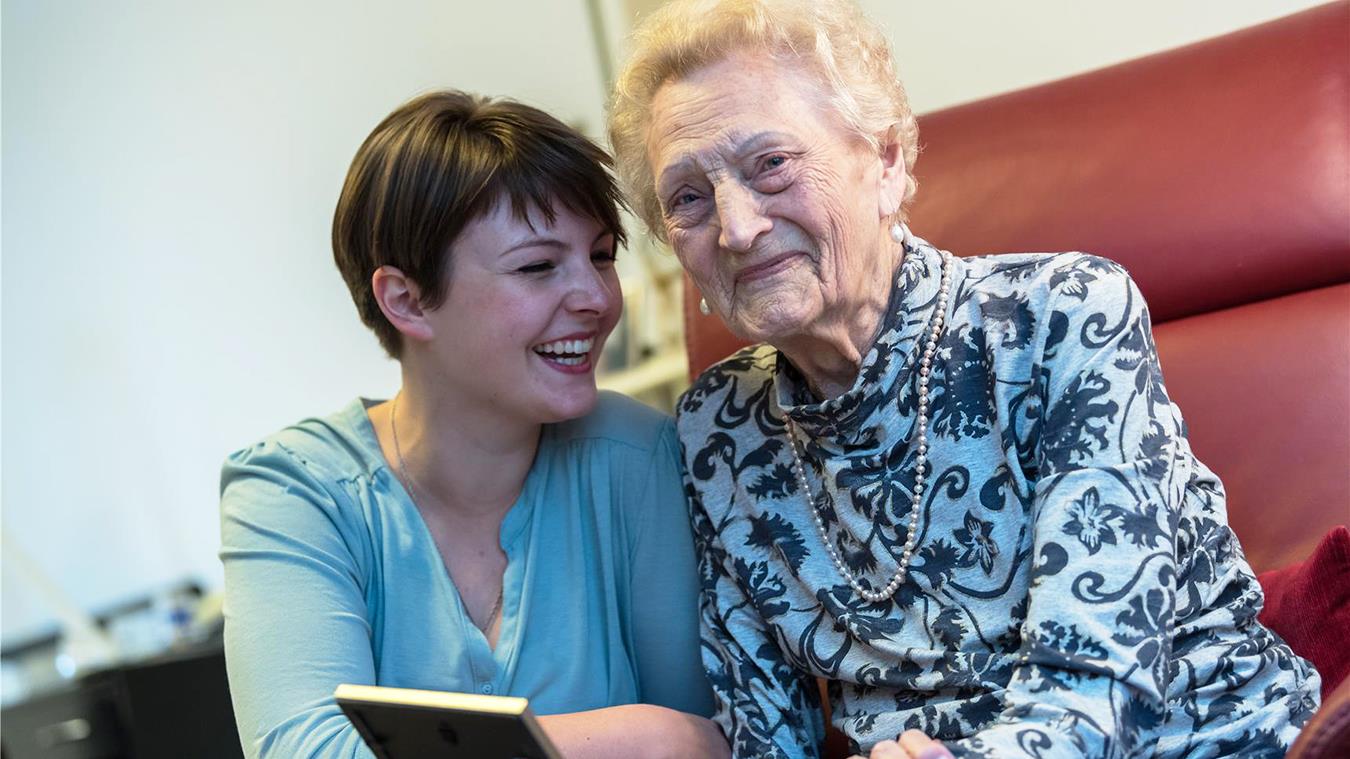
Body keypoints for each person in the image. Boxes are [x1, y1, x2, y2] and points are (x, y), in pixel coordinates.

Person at [606, 1, 1322, 757]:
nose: (737, 226)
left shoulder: (1062, 318)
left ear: (885, 161)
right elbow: (763, 730)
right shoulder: (716, 428)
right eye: (687, 197)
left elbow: (1097, 674)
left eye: (772, 165)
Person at [219, 91, 727, 759]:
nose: (599, 298)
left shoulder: (637, 457)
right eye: (538, 266)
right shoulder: (294, 491)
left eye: (601, 256)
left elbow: (719, 742)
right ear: (406, 300)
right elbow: (304, 752)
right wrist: (643, 734)